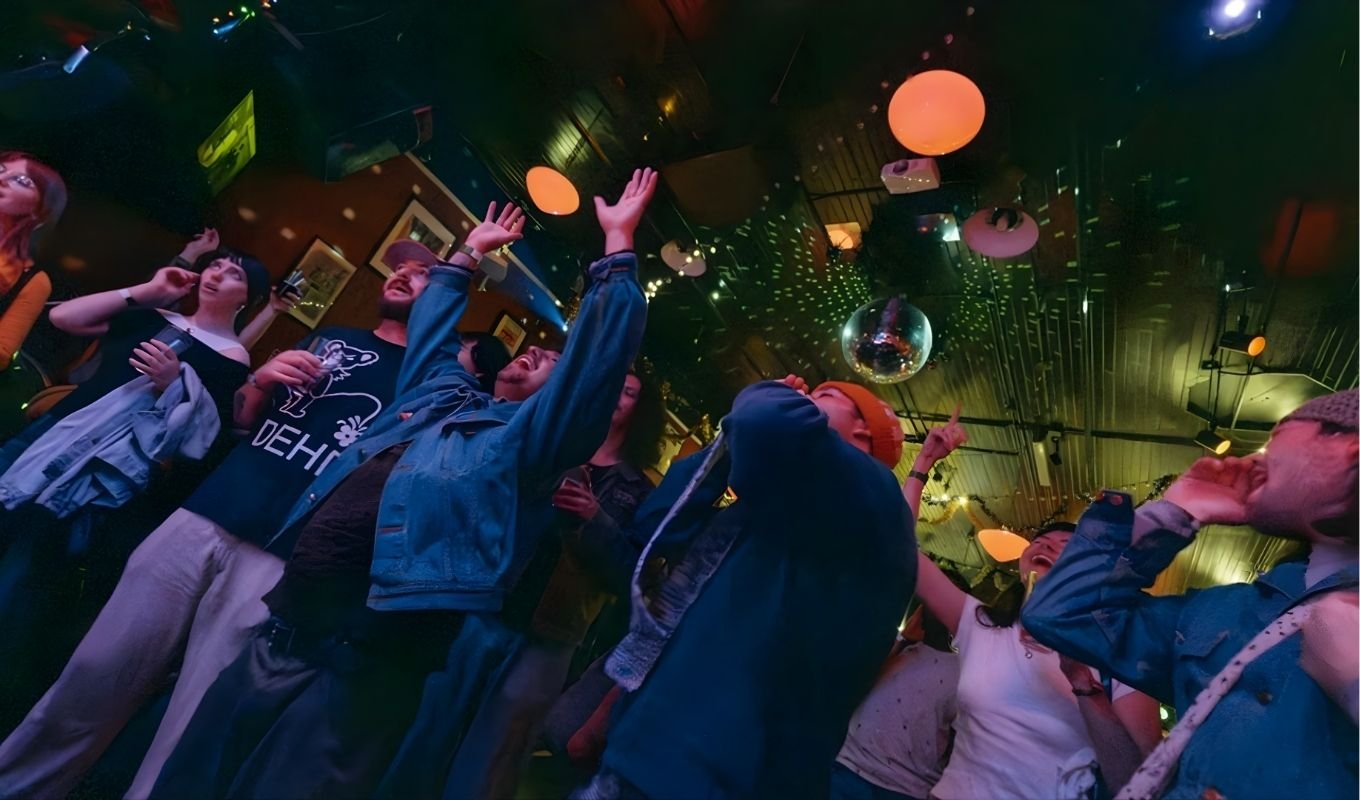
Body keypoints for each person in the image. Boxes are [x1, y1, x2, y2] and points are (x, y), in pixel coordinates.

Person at [151, 171, 652, 800]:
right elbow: (433, 332)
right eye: (535, 350)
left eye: (553, 360)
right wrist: (468, 254)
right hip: (285, 627)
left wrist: (617, 252)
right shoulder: (440, 395)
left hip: (365, 666)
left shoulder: (531, 444)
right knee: (187, 780)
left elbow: (592, 375)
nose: (538, 353)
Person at [0, 242, 506, 800]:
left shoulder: (435, 382)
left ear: (448, 297)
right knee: (94, 672)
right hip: (212, 508)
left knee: (190, 720)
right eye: (402, 265)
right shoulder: (335, 334)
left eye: (426, 272)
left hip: (285, 550)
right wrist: (263, 378)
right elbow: (241, 414)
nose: (405, 273)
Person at [578, 377, 916, 800]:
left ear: (865, 430)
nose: (806, 396)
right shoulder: (776, 508)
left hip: (718, 773)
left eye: (822, 395)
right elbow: (657, 526)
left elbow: (765, 416)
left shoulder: (879, 501)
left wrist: (774, 395)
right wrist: (728, 444)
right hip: (651, 746)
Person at [1023, 388, 1359, 800]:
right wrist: (1175, 512)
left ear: (1348, 445)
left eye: (1278, 438)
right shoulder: (1222, 609)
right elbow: (1059, 614)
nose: (1256, 460)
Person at [0, 247, 270, 729]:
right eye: (215, 265)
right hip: (50, 436)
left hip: (95, 472)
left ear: (246, 299)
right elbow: (65, 318)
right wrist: (148, 290)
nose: (217, 274)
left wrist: (173, 383)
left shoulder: (232, 358)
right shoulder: (157, 315)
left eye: (234, 275)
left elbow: (198, 442)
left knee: (23, 572)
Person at [435, 363, 665, 800]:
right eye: (614, 385)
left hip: (550, 632)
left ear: (642, 413)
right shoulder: (557, 446)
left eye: (630, 392)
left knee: (497, 751)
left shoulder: (639, 492)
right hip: (487, 602)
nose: (616, 395)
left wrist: (596, 520)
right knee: (437, 719)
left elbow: (635, 577)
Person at [906, 408, 1161, 800]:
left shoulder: (1118, 652)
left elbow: (1138, 781)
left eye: (1066, 547)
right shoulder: (980, 623)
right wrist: (923, 463)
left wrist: (1083, 683)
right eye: (1041, 540)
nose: (1045, 544)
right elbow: (900, 548)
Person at [830, 607, 959, 800]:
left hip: (903, 787)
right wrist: (904, 639)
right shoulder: (901, 651)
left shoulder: (964, 676)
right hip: (851, 769)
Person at [0, 151, 66, 368]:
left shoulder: (33, 280)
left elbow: (2, 353)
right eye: (1, 169)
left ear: (40, 212)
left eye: (21, 180)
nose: (2, 179)